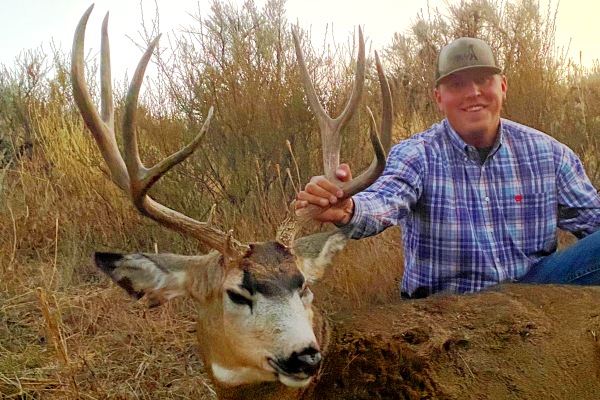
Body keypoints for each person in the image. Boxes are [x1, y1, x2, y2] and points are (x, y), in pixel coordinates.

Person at [295, 37, 600, 299]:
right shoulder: (418, 155)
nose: (473, 92)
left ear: (503, 87)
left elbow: (593, 223)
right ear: (439, 98)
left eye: (483, 80)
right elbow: (384, 200)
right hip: (447, 312)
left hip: (534, 296)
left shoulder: (549, 155)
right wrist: (348, 208)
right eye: (457, 84)